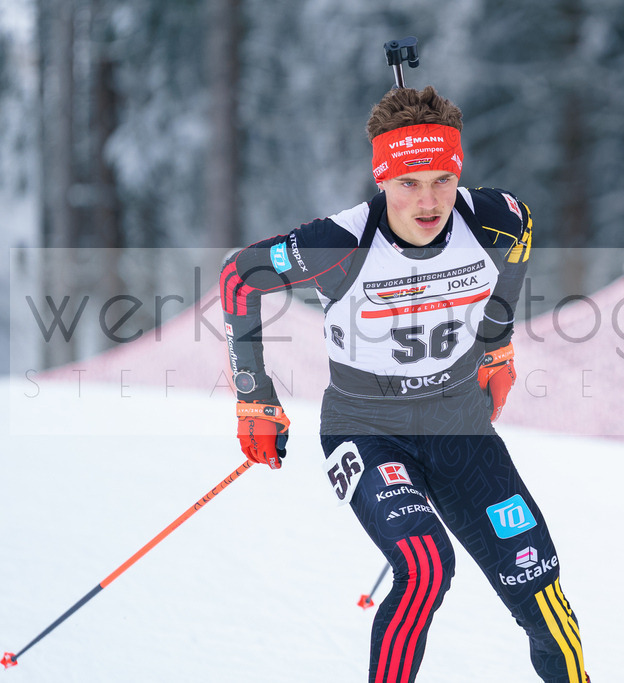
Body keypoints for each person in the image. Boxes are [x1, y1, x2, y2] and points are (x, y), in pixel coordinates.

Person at [219, 86, 589, 683]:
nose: (428, 200)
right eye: (409, 182)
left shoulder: (495, 218)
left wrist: (496, 346)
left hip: (457, 423)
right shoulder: (338, 243)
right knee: (424, 567)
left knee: (537, 582)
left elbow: (520, 240)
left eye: (443, 179)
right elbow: (240, 277)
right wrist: (254, 395)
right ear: (382, 179)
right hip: (365, 426)